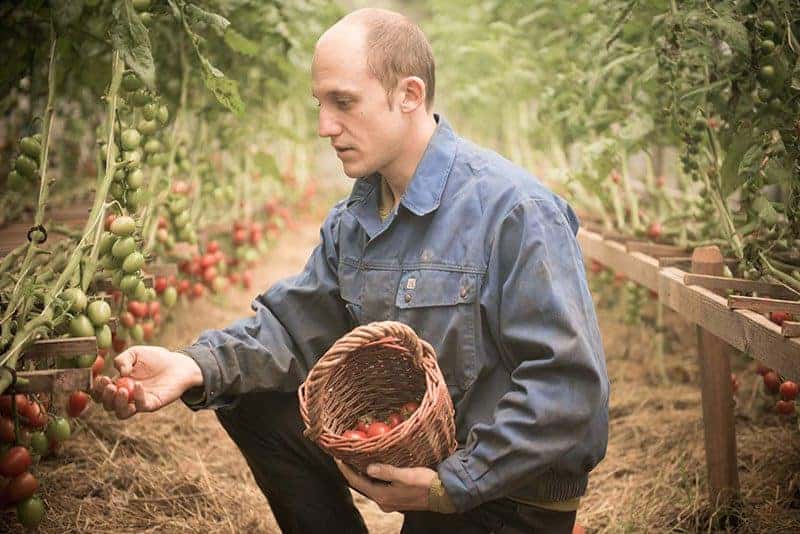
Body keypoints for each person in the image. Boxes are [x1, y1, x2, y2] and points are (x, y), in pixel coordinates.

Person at [92, 7, 609, 534]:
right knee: (250, 396)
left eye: (343, 102)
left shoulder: (516, 211)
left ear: (409, 95)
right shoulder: (356, 218)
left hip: (507, 494)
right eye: (320, 104)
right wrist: (193, 365)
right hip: (426, 464)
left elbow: (569, 389)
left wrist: (449, 485)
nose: (324, 127)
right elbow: (294, 326)